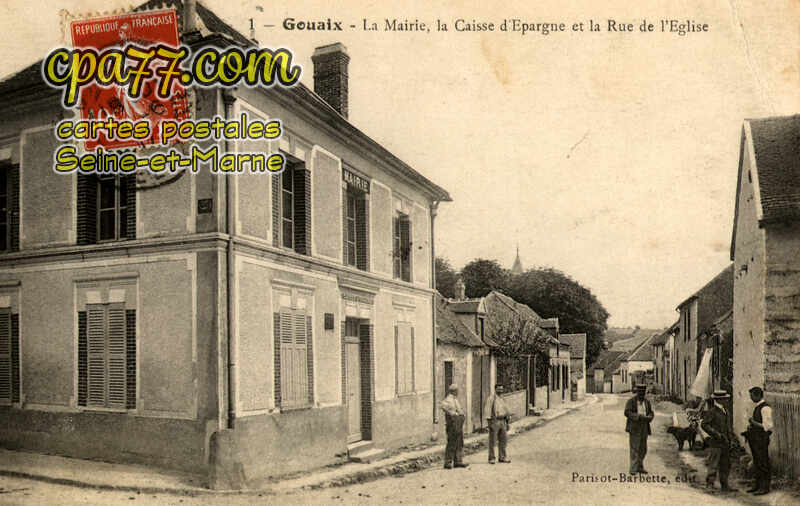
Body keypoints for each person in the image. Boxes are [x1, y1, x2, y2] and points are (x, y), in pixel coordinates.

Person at [701, 390, 736, 492]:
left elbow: (728, 427)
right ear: (719, 400)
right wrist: (716, 434)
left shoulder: (726, 411)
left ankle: (725, 485)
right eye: (725, 399)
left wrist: (731, 439)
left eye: (726, 399)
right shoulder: (712, 411)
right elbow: (704, 424)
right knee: (713, 463)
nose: (727, 400)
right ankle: (710, 484)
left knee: (725, 464)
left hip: (725, 443)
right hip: (716, 443)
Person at [742, 386, 772, 495]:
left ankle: (765, 487)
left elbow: (767, 426)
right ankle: (758, 485)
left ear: (758, 395)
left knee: (763, 462)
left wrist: (753, 423)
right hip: (756, 439)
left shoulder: (765, 408)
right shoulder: (758, 406)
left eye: (752, 396)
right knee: (757, 462)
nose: (751, 398)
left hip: (762, 439)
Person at [624, 384, 654, 474]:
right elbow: (627, 412)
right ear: (637, 392)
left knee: (643, 449)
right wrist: (638, 416)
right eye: (640, 392)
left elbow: (651, 412)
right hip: (634, 427)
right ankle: (633, 468)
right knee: (634, 448)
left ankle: (640, 467)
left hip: (644, 427)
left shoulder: (647, 402)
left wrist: (650, 417)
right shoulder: (631, 401)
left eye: (643, 392)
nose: (641, 394)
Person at [441, 384, 468, 469]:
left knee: (459, 442)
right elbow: (443, 406)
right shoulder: (448, 399)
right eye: (456, 390)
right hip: (452, 423)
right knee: (452, 442)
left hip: (458, 422)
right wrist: (453, 414)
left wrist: (461, 415)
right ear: (453, 391)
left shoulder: (455, 399)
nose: (457, 392)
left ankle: (458, 461)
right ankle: (448, 462)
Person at [484, 384, 511, 464]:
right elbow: (487, 410)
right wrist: (489, 422)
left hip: (503, 421)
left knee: (503, 440)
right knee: (492, 441)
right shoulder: (491, 399)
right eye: (499, 389)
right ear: (495, 389)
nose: (500, 391)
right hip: (495, 421)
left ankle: (502, 457)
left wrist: (507, 422)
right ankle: (491, 458)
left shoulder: (503, 399)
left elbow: (507, 410)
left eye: (501, 389)